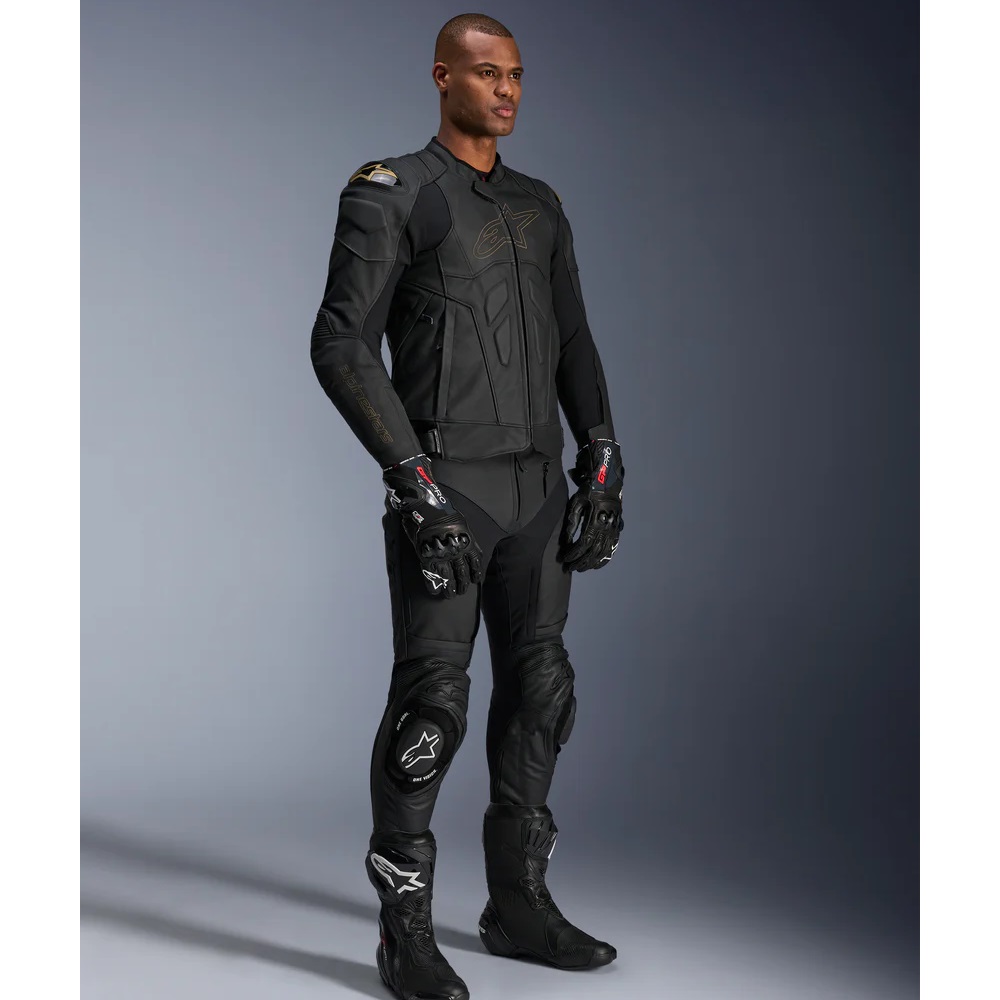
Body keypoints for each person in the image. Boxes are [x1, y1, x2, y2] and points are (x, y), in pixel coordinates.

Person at [310, 12, 625, 1000]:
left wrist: (603, 457)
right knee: (431, 710)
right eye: (488, 74)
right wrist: (412, 481)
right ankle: (402, 933)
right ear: (443, 77)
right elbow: (340, 343)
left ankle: (516, 905)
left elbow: (574, 339)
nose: (508, 90)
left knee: (541, 691)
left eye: (517, 75)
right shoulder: (395, 192)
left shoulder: (540, 205)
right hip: (449, 489)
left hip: (538, 491)